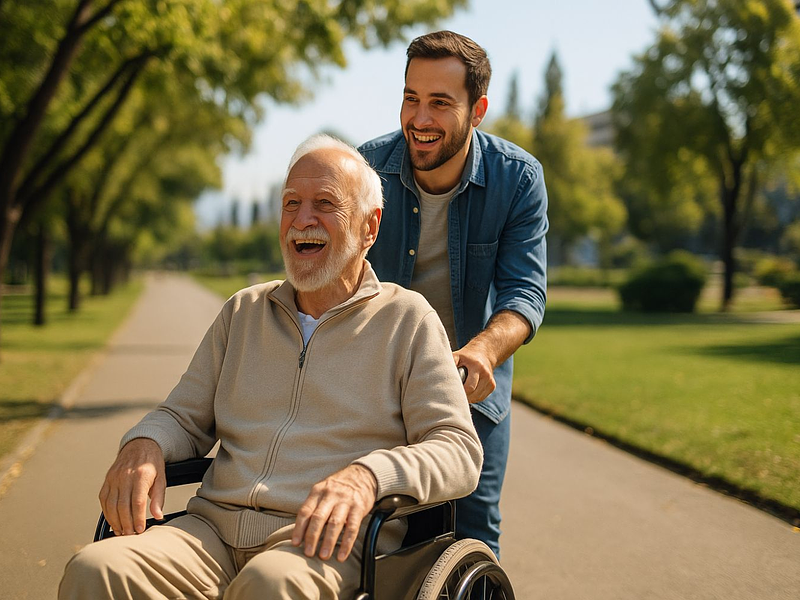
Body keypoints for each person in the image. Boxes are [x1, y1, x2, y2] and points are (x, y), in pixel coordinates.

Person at [59, 134, 483, 600]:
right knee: (94, 568)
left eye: (325, 203)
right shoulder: (243, 312)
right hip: (211, 534)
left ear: (369, 227)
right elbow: (182, 417)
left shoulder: (408, 320)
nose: (303, 220)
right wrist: (144, 443)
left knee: (267, 585)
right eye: (291, 204)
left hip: (322, 543)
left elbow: (458, 448)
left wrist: (370, 475)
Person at [359, 30, 548, 558]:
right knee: (375, 532)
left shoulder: (518, 179)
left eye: (440, 103)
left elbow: (525, 293)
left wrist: (484, 350)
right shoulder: (365, 170)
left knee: (472, 529)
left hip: (468, 387)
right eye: (411, 98)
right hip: (375, 383)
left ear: (478, 109)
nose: (420, 118)